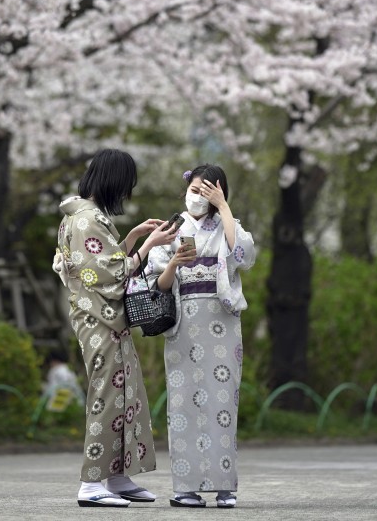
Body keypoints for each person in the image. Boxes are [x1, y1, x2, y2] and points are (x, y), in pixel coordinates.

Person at [53, 148, 179, 507]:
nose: (125, 194)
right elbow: (109, 274)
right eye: (125, 186)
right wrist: (150, 244)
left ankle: (118, 478)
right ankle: (91, 484)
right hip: (98, 320)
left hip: (105, 319)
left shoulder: (84, 216)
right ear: (113, 181)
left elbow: (105, 264)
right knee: (108, 394)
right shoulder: (86, 220)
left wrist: (136, 235)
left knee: (125, 393)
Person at [146, 164, 256, 509]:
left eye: (206, 190)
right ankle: (186, 487)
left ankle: (225, 487)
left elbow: (245, 256)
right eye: (194, 188)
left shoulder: (228, 225)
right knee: (183, 405)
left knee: (223, 402)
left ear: (219, 191)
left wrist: (223, 208)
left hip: (221, 322)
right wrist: (174, 264)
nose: (197, 196)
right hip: (183, 326)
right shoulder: (173, 228)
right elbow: (157, 286)